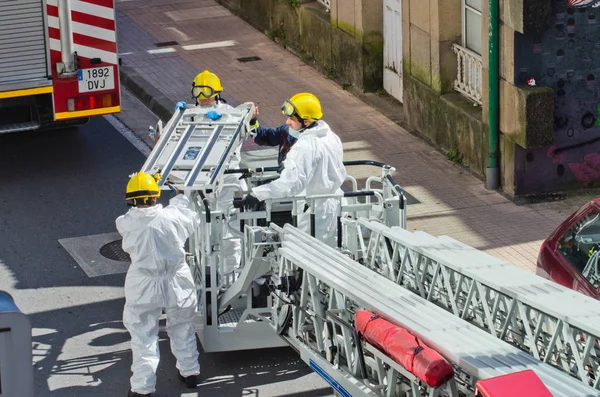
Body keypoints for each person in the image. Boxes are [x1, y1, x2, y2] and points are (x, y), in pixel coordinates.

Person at [116, 172, 200, 397]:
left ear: (131, 200)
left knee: (143, 336)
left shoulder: (125, 223)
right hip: (177, 280)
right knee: (182, 327)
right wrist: (181, 193)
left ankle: (142, 389)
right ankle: (190, 373)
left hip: (143, 282)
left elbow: (135, 216)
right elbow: (188, 215)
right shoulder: (173, 216)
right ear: (155, 197)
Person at [244, 92, 347, 247]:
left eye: (291, 118)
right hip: (334, 205)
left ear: (305, 121)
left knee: (309, 255)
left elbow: (291, 183)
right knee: (332, 251)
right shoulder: (330, 136)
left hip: (313, 210)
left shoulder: (305, 146)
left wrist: (258, 193)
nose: (287, 122)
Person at [175, 70, 247, 275]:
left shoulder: (230, 114)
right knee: (201, 230)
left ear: (217, 93)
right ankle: (206, 275)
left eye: (208, 96)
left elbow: (242, 134)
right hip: (200, 179)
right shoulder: (188, 115)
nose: (205, 100)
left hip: (228, 178)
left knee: (229, 231)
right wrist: (178, 119)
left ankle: (229, 277)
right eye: (200, 95)